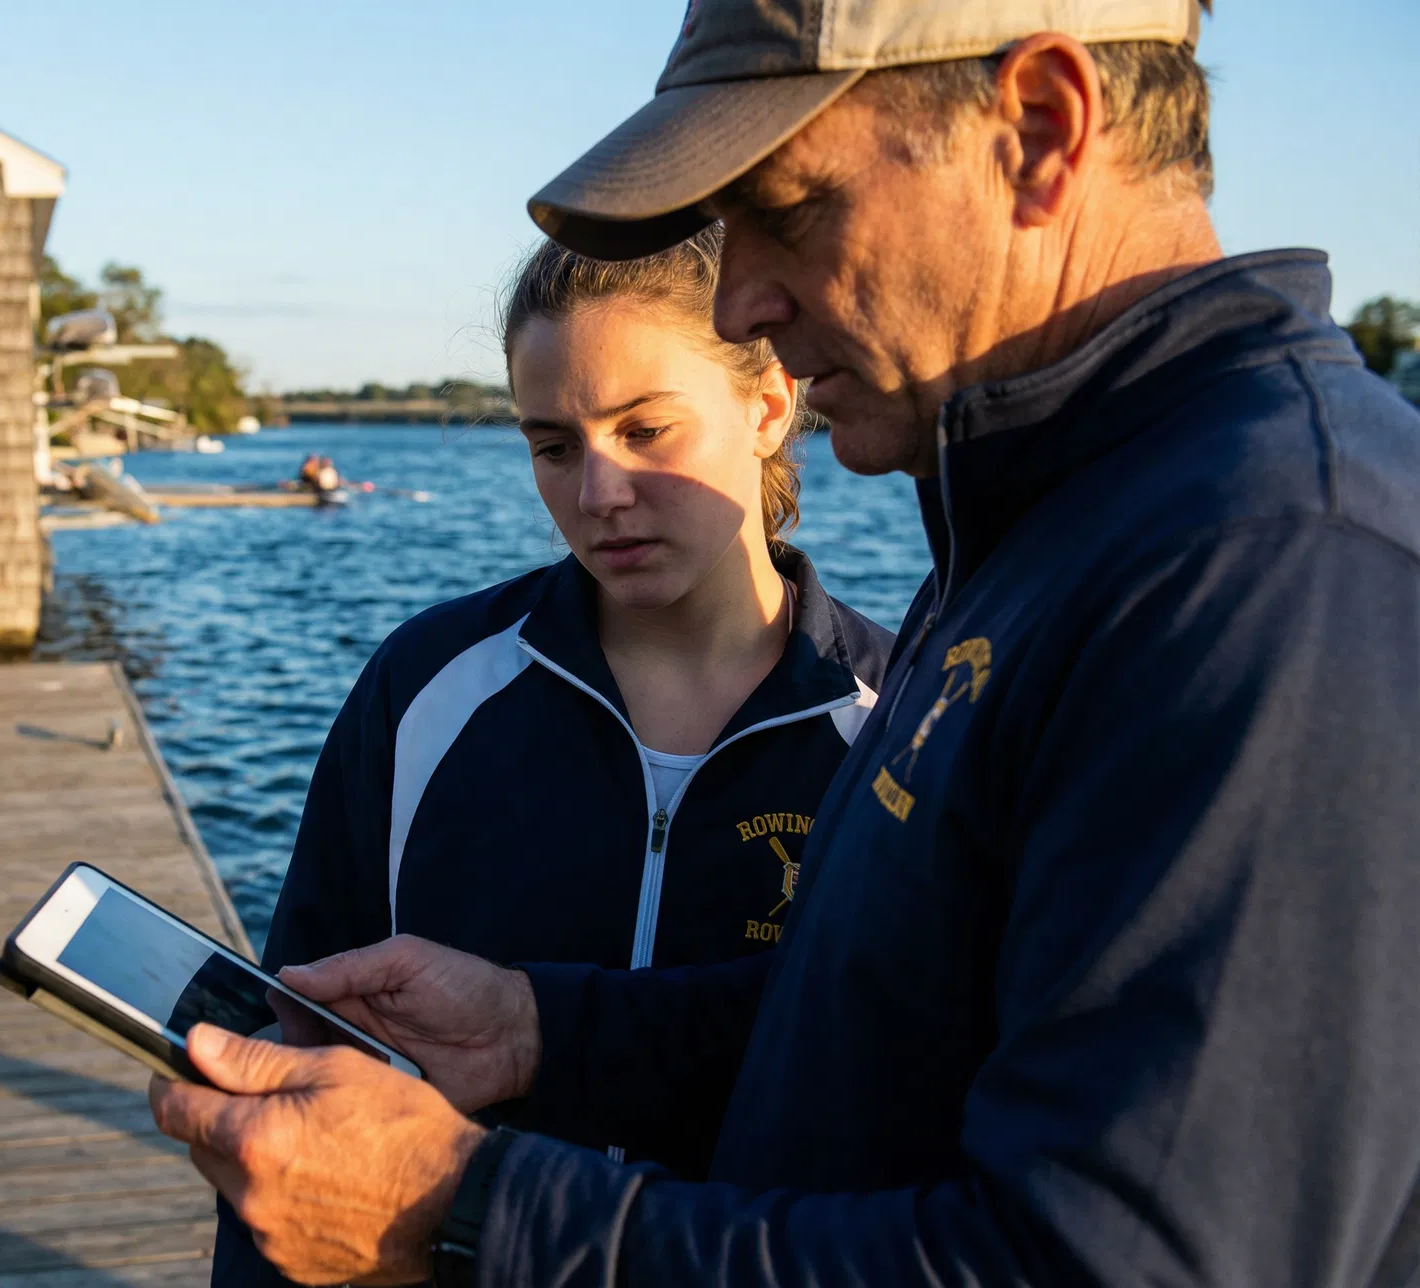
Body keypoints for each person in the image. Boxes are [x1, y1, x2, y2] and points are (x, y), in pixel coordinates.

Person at [150, 0, 1420, 1284]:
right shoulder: (1049, 532)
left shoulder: (1270, 566)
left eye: (792, 205)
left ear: (1040, 129)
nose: (746, 299)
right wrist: (549, 1028)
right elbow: (887, 1016)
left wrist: (471, 1206)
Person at [212, 230, 892, 1285]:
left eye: (646, 428)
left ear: (768, 406)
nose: (599, 493)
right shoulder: (426, 687)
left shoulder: (899, 726)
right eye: (555, 444)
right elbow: (296, 1056)